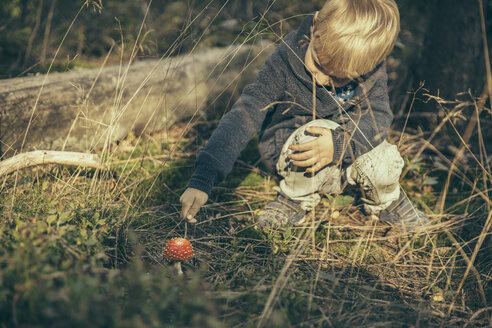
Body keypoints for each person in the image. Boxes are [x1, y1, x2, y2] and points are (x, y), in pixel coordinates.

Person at [180, 0, 430, 231]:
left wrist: (339, 143)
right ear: (314, 26)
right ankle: (294, 199)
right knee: (317, 129)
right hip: (296, 157)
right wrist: (203, 178)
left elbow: (378, 118)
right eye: (319, 64)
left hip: (344, 157)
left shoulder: (370, 69)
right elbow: (244, 115)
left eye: (340, 78)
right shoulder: (283, 62)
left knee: (383, 152)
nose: (323, 80)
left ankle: (387, 201)